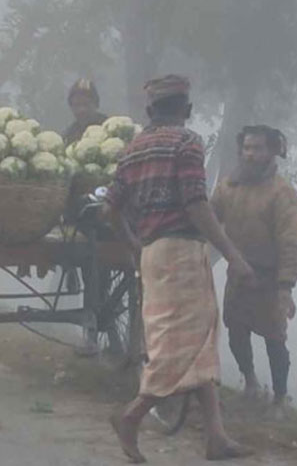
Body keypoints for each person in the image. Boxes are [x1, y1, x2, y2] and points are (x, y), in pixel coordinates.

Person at [105, 74, 255, 463]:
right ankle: (131, 415)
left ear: (150, 110)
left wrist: (133, 244)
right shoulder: (187, 143)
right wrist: (232, 252)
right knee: (178, 344)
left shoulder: (133, 148)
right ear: (186, 110)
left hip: (153, 252)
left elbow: (110, 208)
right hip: (182, 253)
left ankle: (216, 436)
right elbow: (195, 203)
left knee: (200, 339)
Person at [211, 126, 297, 409]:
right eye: (247, 148)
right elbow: (208, 218)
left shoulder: (284, 195)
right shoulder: (228, 187)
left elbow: (291, 243)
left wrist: (285, 287)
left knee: (274, 339)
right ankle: (250, 382)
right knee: (236, 330)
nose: (251, 154)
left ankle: (280, 397)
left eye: (258, 148)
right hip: (239, 274)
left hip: (271, 277)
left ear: (272, 152)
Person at [63, 78, 108, 144]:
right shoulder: (69, 135)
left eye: (86, 104)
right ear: (71, 107)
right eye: (77, 105)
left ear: (96, 104)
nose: (82, 110)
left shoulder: (109, 128)